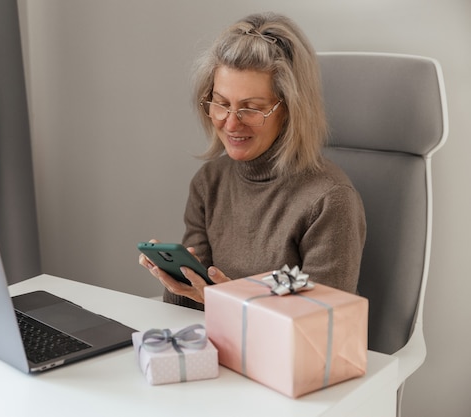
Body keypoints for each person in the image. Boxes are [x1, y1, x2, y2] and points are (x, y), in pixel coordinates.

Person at [139, 12, 366, 310]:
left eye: (251, 108)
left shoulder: (329, 200)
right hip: (214, 347)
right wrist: (179, 284)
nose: (231, 124)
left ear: (290, 111)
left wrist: (239, 302)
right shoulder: (209, 184)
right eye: (221, 103)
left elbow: (321, 326)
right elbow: (193, 312)